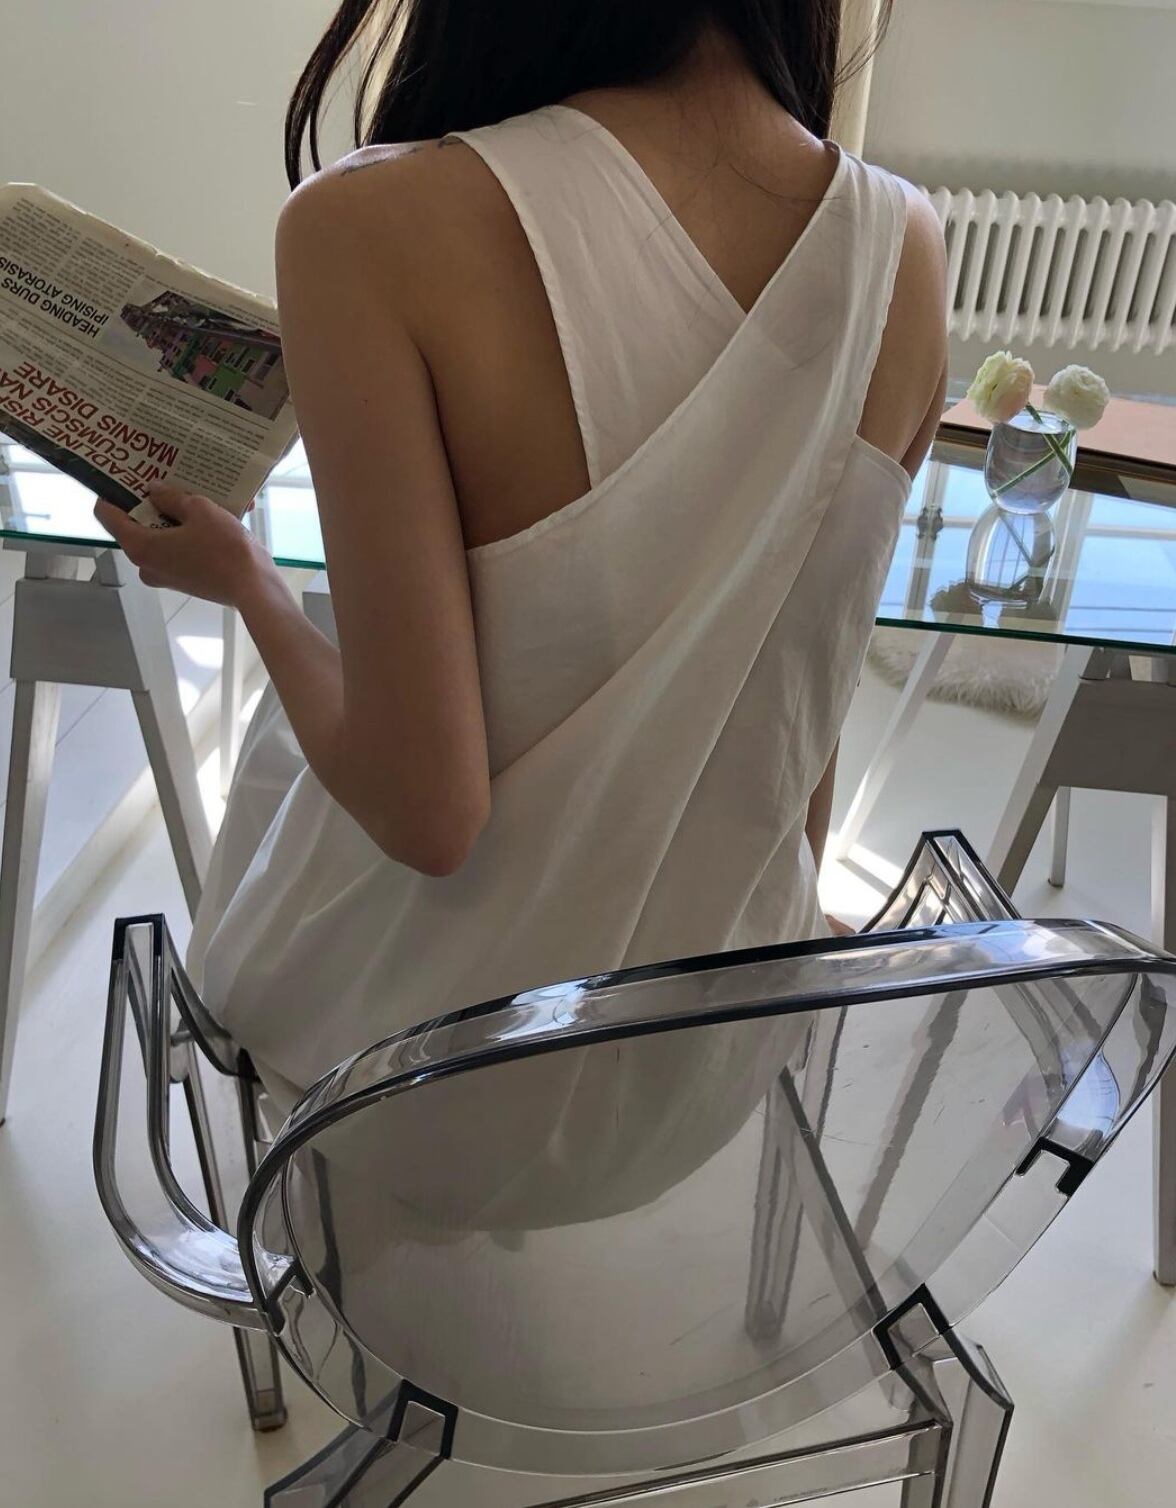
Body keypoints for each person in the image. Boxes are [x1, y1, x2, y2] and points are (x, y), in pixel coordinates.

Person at [96, 0, 947, 1113]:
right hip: (706, 1066)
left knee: (277, 752)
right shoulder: (906, 244)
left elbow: (426, 815)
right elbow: (800, 715)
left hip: (417, 1079)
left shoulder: (369, 223)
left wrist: (249, 585)